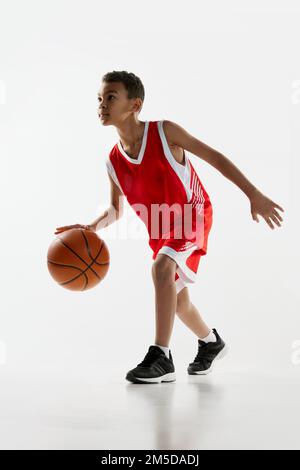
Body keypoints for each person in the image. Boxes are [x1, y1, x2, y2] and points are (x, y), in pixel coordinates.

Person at [55, 70, 284, 384]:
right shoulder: (113, 161)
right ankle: (210, 342)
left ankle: (161, 355)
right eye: (99, 99)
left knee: (161, 270)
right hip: (161, 229)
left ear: (135, 105)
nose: (102, 105)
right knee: (177, 301)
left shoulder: (164, 132)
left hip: (193, 215)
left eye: (111, 97)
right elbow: (115, 209)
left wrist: (253, 194)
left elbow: (214, 157)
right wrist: (91, 227)